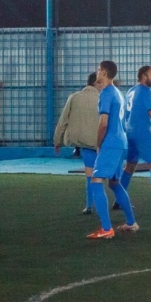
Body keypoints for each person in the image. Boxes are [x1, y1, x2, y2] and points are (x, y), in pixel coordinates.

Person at [85, 60, 139, 239]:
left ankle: (106, 229)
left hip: (111, 143)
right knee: (115, 183)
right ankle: (131, 223)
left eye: (98, 69)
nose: (97, 72)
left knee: (95, 180)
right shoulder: (118, 93)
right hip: (121, 142)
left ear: (104, 73)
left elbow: (103, 123)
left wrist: (98, 144)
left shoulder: (106, 93)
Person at [122, 65, 151, 211]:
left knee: (130, 166)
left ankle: (119, 200)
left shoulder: (131, 91)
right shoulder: (145, 90)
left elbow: (125, 114)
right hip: (142, 132)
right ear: (144, 76)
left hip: (129, 132)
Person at [54, 72, 101, 215]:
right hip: (103, 144)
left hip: (84, 144)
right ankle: (120, 203)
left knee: (90, 175)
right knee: (113, 178)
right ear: (96, 83)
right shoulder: (103, 98)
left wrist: (57, 141)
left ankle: (89, 206)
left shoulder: (73, 97)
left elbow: (63, 121)